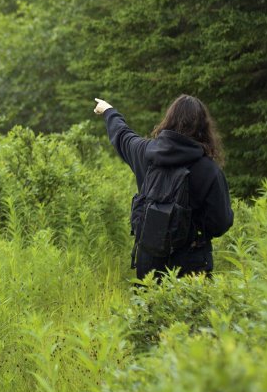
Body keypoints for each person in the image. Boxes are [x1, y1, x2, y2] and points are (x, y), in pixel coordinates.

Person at [94, 95, 233, 281]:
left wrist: (108, 111)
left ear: (168, 120)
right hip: (191, 269)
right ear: (203, 128)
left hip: (149, 265)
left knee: (149, 300)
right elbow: (220, 224)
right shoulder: (209, 170)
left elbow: (122, 136)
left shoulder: (146, 153)